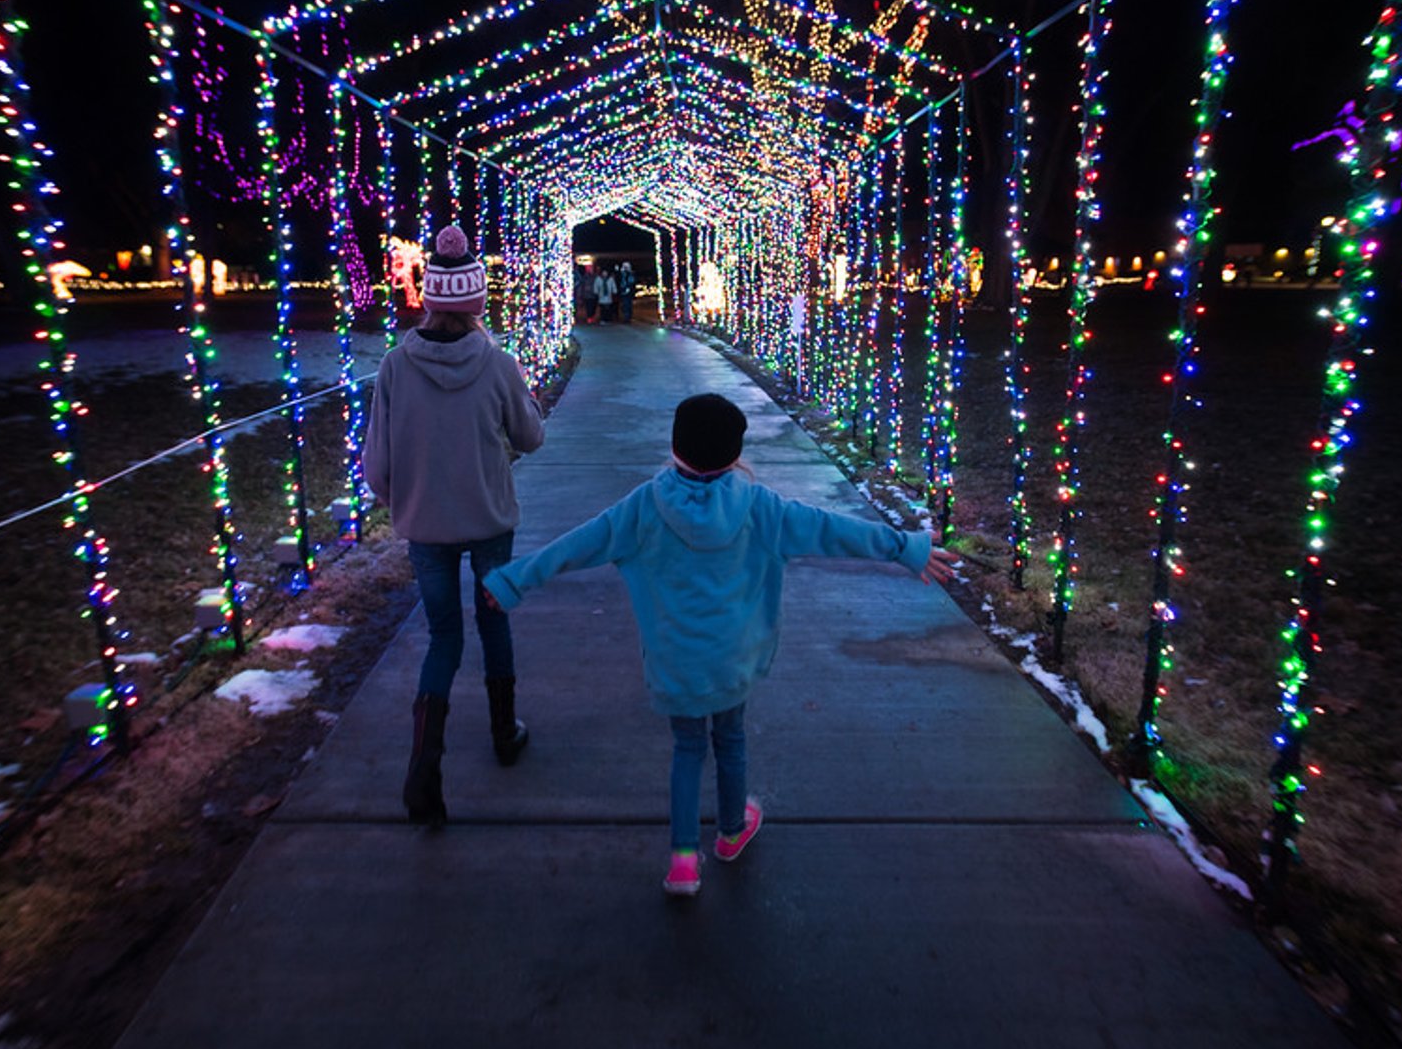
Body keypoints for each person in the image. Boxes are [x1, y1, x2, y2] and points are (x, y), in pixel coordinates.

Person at [482, 393, 958, 895]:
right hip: (733, 661)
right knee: (730, 741)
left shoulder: (643, 508)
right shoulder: (761, 508)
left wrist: (511, 581)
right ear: (735, 455)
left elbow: (575, 545)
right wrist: (906, 548)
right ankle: (732, 831)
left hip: (675, 663)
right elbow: (832, 529)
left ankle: (684, 861)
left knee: (687, 749)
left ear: (674, 447)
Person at [366, 224, 546, 826]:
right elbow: (530, 436)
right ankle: (504, 733)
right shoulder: (498, 364)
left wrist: (404, 501)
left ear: (431, 298)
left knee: (444, 637)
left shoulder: (395, 365)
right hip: (489, 518)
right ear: (476, 302)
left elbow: (377, 463)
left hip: (426, 526)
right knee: (494, 624)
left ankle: (424, 767)